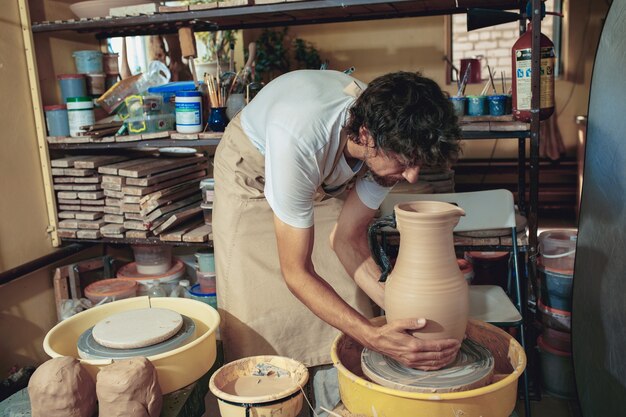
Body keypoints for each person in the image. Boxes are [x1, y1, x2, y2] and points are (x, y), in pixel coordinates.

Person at [212, 70, 462, 413]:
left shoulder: (393, 141)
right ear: (365, 135)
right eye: (406, 164)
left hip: (325, 175)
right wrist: (373, 336)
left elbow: (345, 239)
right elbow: (296, 272)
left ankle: (336, 404)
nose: (412, 176)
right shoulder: (301, 138)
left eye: (417, 163)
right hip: (254, 175)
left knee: (353, 303)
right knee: (261, 320)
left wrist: (400, 306)